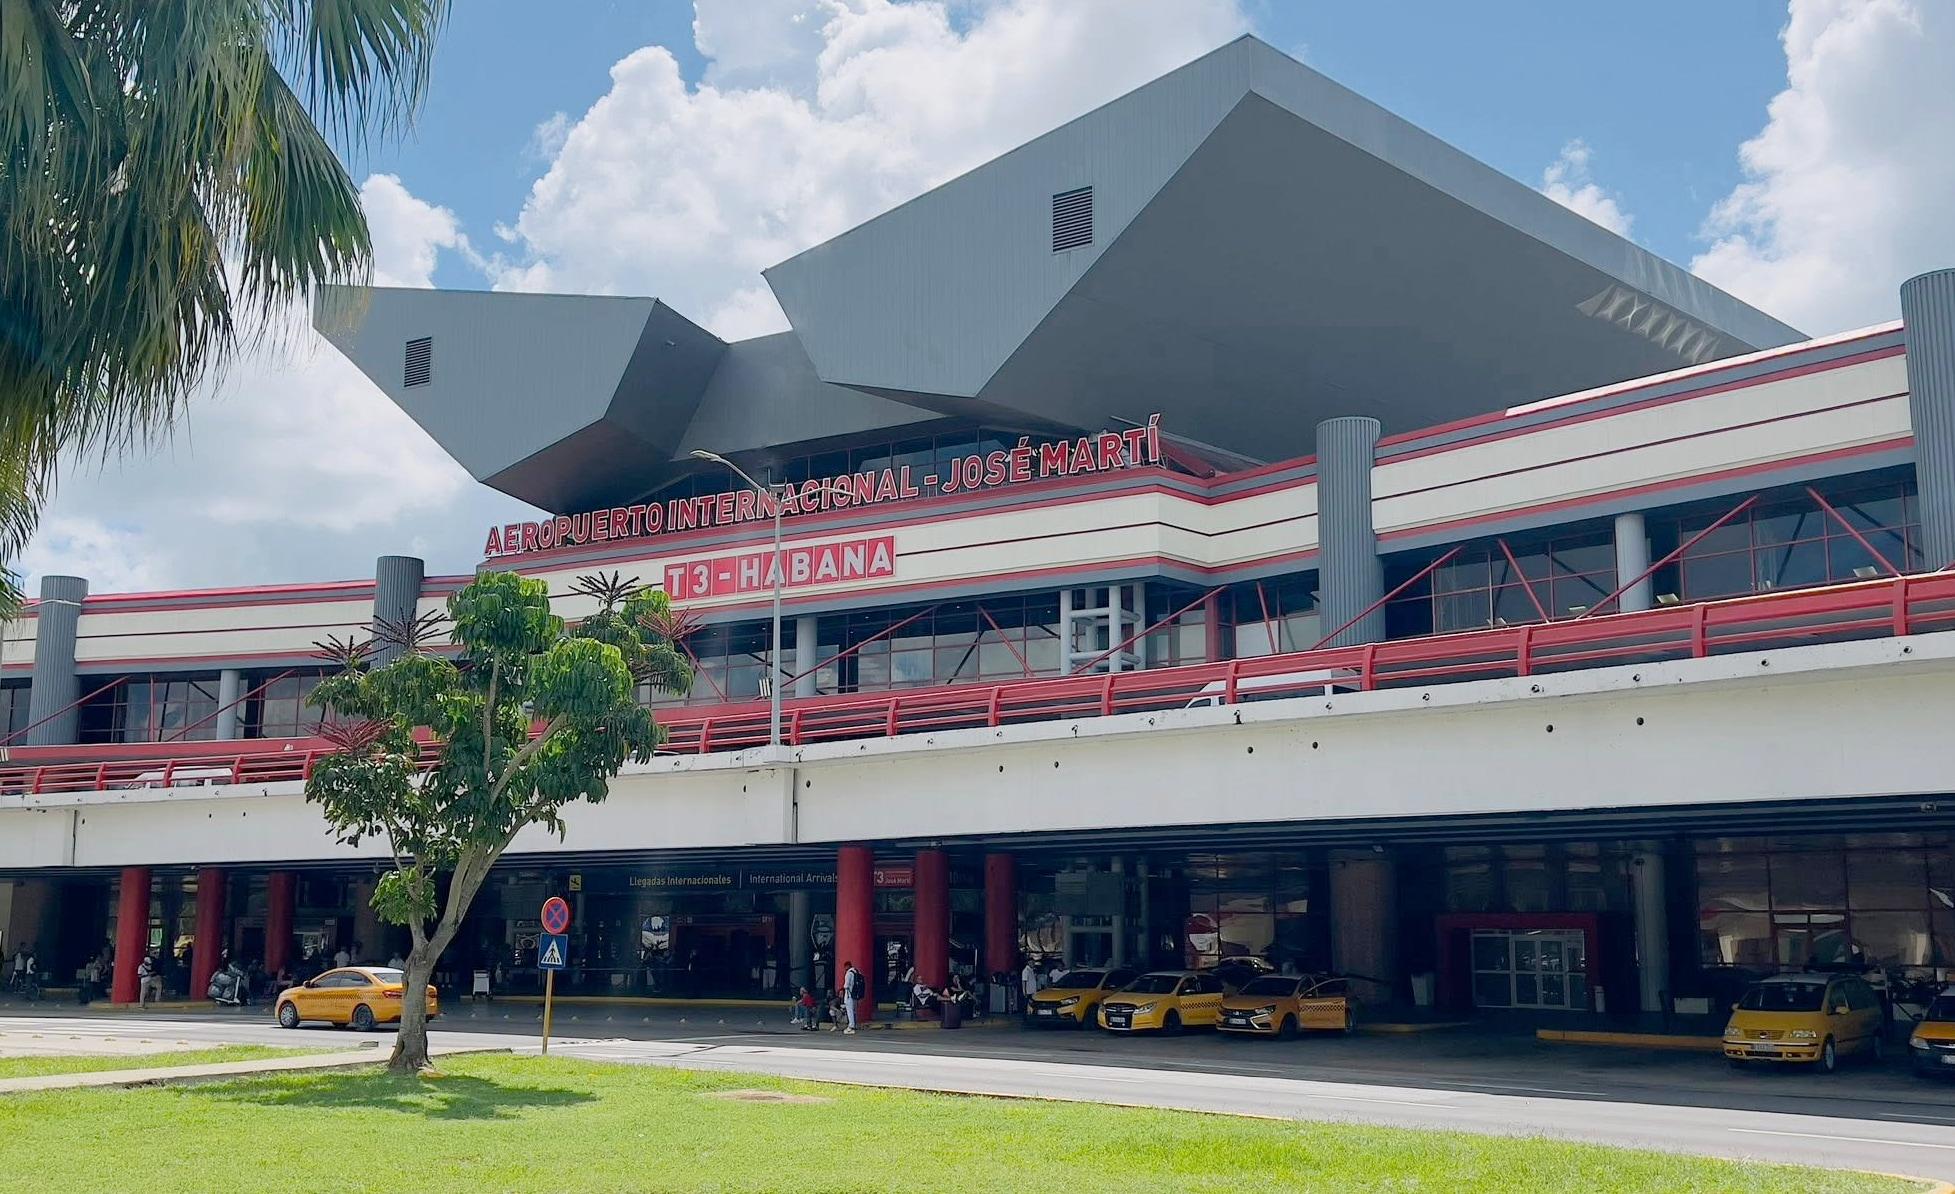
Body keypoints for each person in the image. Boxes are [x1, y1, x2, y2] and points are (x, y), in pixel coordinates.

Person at [841, 959, 863, 1034]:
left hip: (849, 994)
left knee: (849, 1011)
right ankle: (854, 1024)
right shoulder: (857, 972)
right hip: (855, 994)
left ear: (847, 966)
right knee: (853, 1010)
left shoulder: (849, 973)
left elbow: (846, 985)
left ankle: (851, 1026)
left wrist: (843, 988)